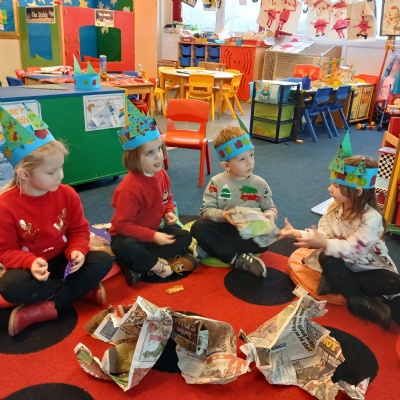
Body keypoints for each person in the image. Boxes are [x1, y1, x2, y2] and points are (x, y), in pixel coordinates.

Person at [0, 104, 113, 336]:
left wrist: (77, 249)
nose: (61, 176)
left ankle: (48, 306)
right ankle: (80, 291)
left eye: (61, 168)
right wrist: (30, 262)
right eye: (51, 172)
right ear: (25, 174)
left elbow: (79, 230)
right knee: (10, 287)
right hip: (32, 270)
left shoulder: (68, 194)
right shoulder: (5, 205)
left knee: (102, 261)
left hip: (64, 261)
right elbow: (6, 251)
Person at [281, 134, 400, 329]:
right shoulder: (333, 208)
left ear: (357, 192)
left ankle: (343, 285)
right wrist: (297, 233)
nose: (329, 189)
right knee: (326, 257)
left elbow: (355, 249)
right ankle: (355, 298)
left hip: (368, 267)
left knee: (395, 283)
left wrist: (325, 243)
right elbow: (322, 235)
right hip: (342, 264)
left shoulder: (372, 219)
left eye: (336, 186)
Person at [110, 100, 197, 286]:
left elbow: (168, 197)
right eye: (149, 153)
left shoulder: (162, 174)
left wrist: (168, 211)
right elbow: (122, 225)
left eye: (159, 148)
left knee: (184, 236)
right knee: (124, 247)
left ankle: (136, 264)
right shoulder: (128, 189)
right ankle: (153, 265)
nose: (158, 155)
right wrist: (153, 237)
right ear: (134, 158)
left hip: (152, 232)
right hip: (128, 237)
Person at [190, 126, 278, 278]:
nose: (250, 162)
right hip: (221, 228)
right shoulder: (216, 182)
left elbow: (270, 208)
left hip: (246, 232)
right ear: (226, 165)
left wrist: (270, 216)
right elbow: (205, 211)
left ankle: (212, 248)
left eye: (251, 155)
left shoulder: (260, 184)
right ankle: (236, 259)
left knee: (265, 242)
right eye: (242, 159)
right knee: (198, 227)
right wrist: (224, 215)